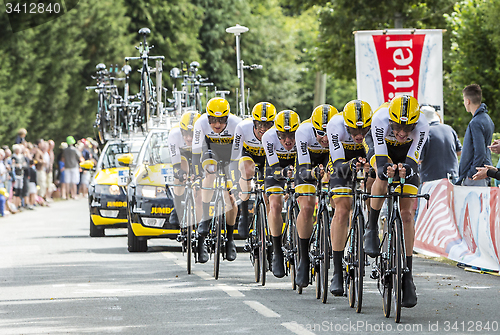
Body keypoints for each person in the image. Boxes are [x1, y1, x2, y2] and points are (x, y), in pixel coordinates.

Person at [365, 95, 429, 308]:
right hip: (382, 148)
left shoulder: (423, 124)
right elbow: (381, 159)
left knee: (407, 213)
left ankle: (407, 275)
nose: (402, 132)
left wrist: (407, 169)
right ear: (391, 120)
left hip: (406, 153)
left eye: (408, 127)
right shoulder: (381, 119)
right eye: (398, 127)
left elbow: (413, 159)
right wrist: (387, 168)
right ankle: (371, 227)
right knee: (382, 177)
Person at [327, 100, 374, 295]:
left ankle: (371, 228)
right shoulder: (335, 125)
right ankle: (337, 272)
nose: (359, 135)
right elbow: (338, 163)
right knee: (342, 209)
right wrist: (351, 165)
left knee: (374, 185)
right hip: (342, 159)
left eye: (363, 130)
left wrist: (371, 167)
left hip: (365, 154)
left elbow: (377, 155)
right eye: (353, 130)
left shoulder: (374, 130)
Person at [192, 98, 241, 263]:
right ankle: (205, 220)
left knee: (230, 197)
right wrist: (196, 171)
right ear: (208, 118)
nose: (217, 124)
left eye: (221, 120)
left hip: (230, 155)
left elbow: (239, 155)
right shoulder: (201, 123)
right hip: (210, 152)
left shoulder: (237, 124)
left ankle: (230, 238)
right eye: (213, 120)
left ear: (228, 117)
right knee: (210, 173)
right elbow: (196, 149)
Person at [294, 104, 338, 288]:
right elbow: (303, 169)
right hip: (308, 163)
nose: (325, 138)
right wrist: (313, 173)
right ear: (313, 128)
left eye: (329, 133)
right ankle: (304, 259)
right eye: (320, 133)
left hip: (330, 160)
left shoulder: (340, 131)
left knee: (342, 203)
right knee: (307, 207)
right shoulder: (303, 131)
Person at [262, 109, 300, 278]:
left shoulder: (303, 136)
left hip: (297, 164)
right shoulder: (268, 137)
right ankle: (277, 251)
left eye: (292, 135)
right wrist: (284, 175)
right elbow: (274, 168)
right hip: (276, 166)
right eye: (283, 136)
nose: (287, 140)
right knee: (275, 204)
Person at [229, 102, 276, 239]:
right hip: (249, 155)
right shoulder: (243, 127)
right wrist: (235, 180)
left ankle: (268, 227)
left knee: (269, 193)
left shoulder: (276, 131)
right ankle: (244, 213)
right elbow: (234, 156)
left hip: (267, 157)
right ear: (253, 122)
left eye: (268, 124)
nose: (263, 129)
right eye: (259, 124)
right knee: (247, 169)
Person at [168, 111, 202, 227]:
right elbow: (175, 164)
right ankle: (177, 208)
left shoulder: (204, 134)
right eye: (185, 133)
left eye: (192, 134)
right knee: (181, 174)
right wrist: (179, 173)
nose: (188, 138)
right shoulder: (174, 134)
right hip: (183, 155)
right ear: (180, 130)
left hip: (199, 154)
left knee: (200, 179)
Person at [457, 84, 495, 186]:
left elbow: (480, 151)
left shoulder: (475, 122)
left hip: (476, 176)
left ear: (468, 101)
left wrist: (472, 173)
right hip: (485, 172)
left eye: (464, 100)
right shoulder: (488, 119)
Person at [419, 105, 462, 183]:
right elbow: (459, 152)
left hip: (432, 181)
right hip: (453, 178)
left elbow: (419, 159)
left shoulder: (425, 132)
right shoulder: (449, 129)